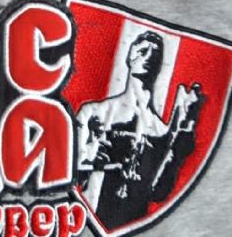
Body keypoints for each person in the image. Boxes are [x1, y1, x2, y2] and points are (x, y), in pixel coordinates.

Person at [76, 31, 203, 229]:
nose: (149, 56)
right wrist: (94, 158)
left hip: (133, 226)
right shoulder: (93, 113)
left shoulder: (161, 131)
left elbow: (159, 192)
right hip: (86, 222)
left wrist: (184, 130)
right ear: (130, 57)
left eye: (155, 54)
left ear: (160, 66)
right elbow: (64, 170)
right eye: (143, 51)